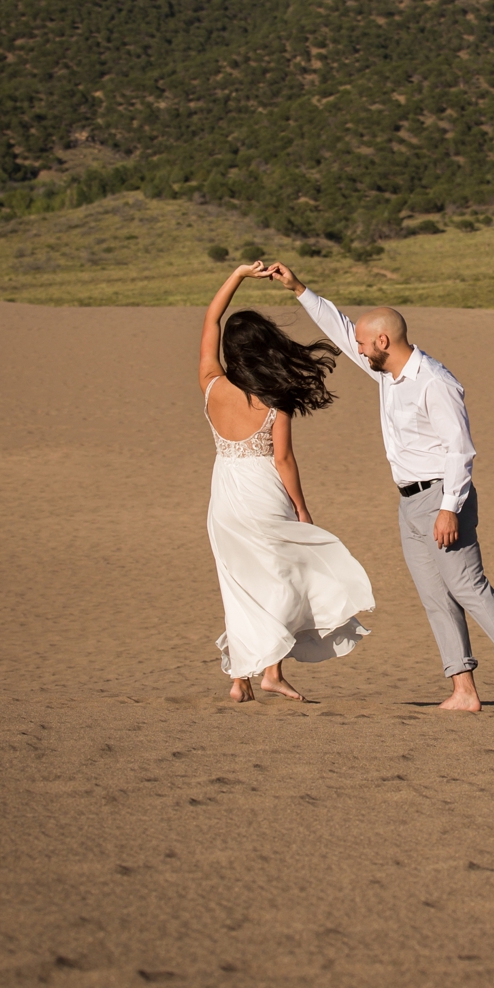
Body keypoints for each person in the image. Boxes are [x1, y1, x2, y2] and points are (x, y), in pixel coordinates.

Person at [263, 261, 494, 715]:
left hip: (442, 497)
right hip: (409, 502)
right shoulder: (384, 371)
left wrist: (450, 508)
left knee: (468, 586)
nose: (355, 348)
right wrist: (298, 288)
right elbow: (340, 330)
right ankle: (464, 689)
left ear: (383, 341)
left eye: (363, 342)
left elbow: (461, 451)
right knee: (435, 597)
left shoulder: (435, 382)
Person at [199, 261, 375, 703]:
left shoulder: (211, 385)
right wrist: (301, 508)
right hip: (263, 492)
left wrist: (237, 276)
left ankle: (242, 680)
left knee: (237, 583)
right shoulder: (275, 402)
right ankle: (270, 672)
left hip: (226, 492)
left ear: (231, 352)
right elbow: (283, 459)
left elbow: (210, 318)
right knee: (279, 580)